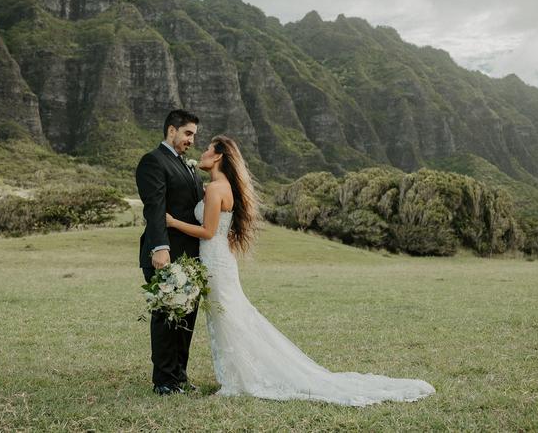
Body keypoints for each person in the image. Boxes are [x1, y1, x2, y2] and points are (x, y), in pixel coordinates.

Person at [166, 135, 436, 406]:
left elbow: (208, 231)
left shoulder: (215, 189)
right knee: (229, 319)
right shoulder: (217, 187)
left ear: (218, 157)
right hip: (218, 260)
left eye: (207, 149)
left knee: (230, 319)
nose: (202, 153)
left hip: (216, 262)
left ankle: (241, 378)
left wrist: (172, 222)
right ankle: (237, 375)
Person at [135, 109, 204, 395]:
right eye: (187, 133)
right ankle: (164, 381)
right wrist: (160, 249)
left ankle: (179, 375)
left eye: (194, 135)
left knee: (186, 319)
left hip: (191, 257)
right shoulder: (153, 162)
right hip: (166, 254)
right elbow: (155, 208)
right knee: (166, 319)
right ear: (171, 130)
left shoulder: (186, 166)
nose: (191, 140)